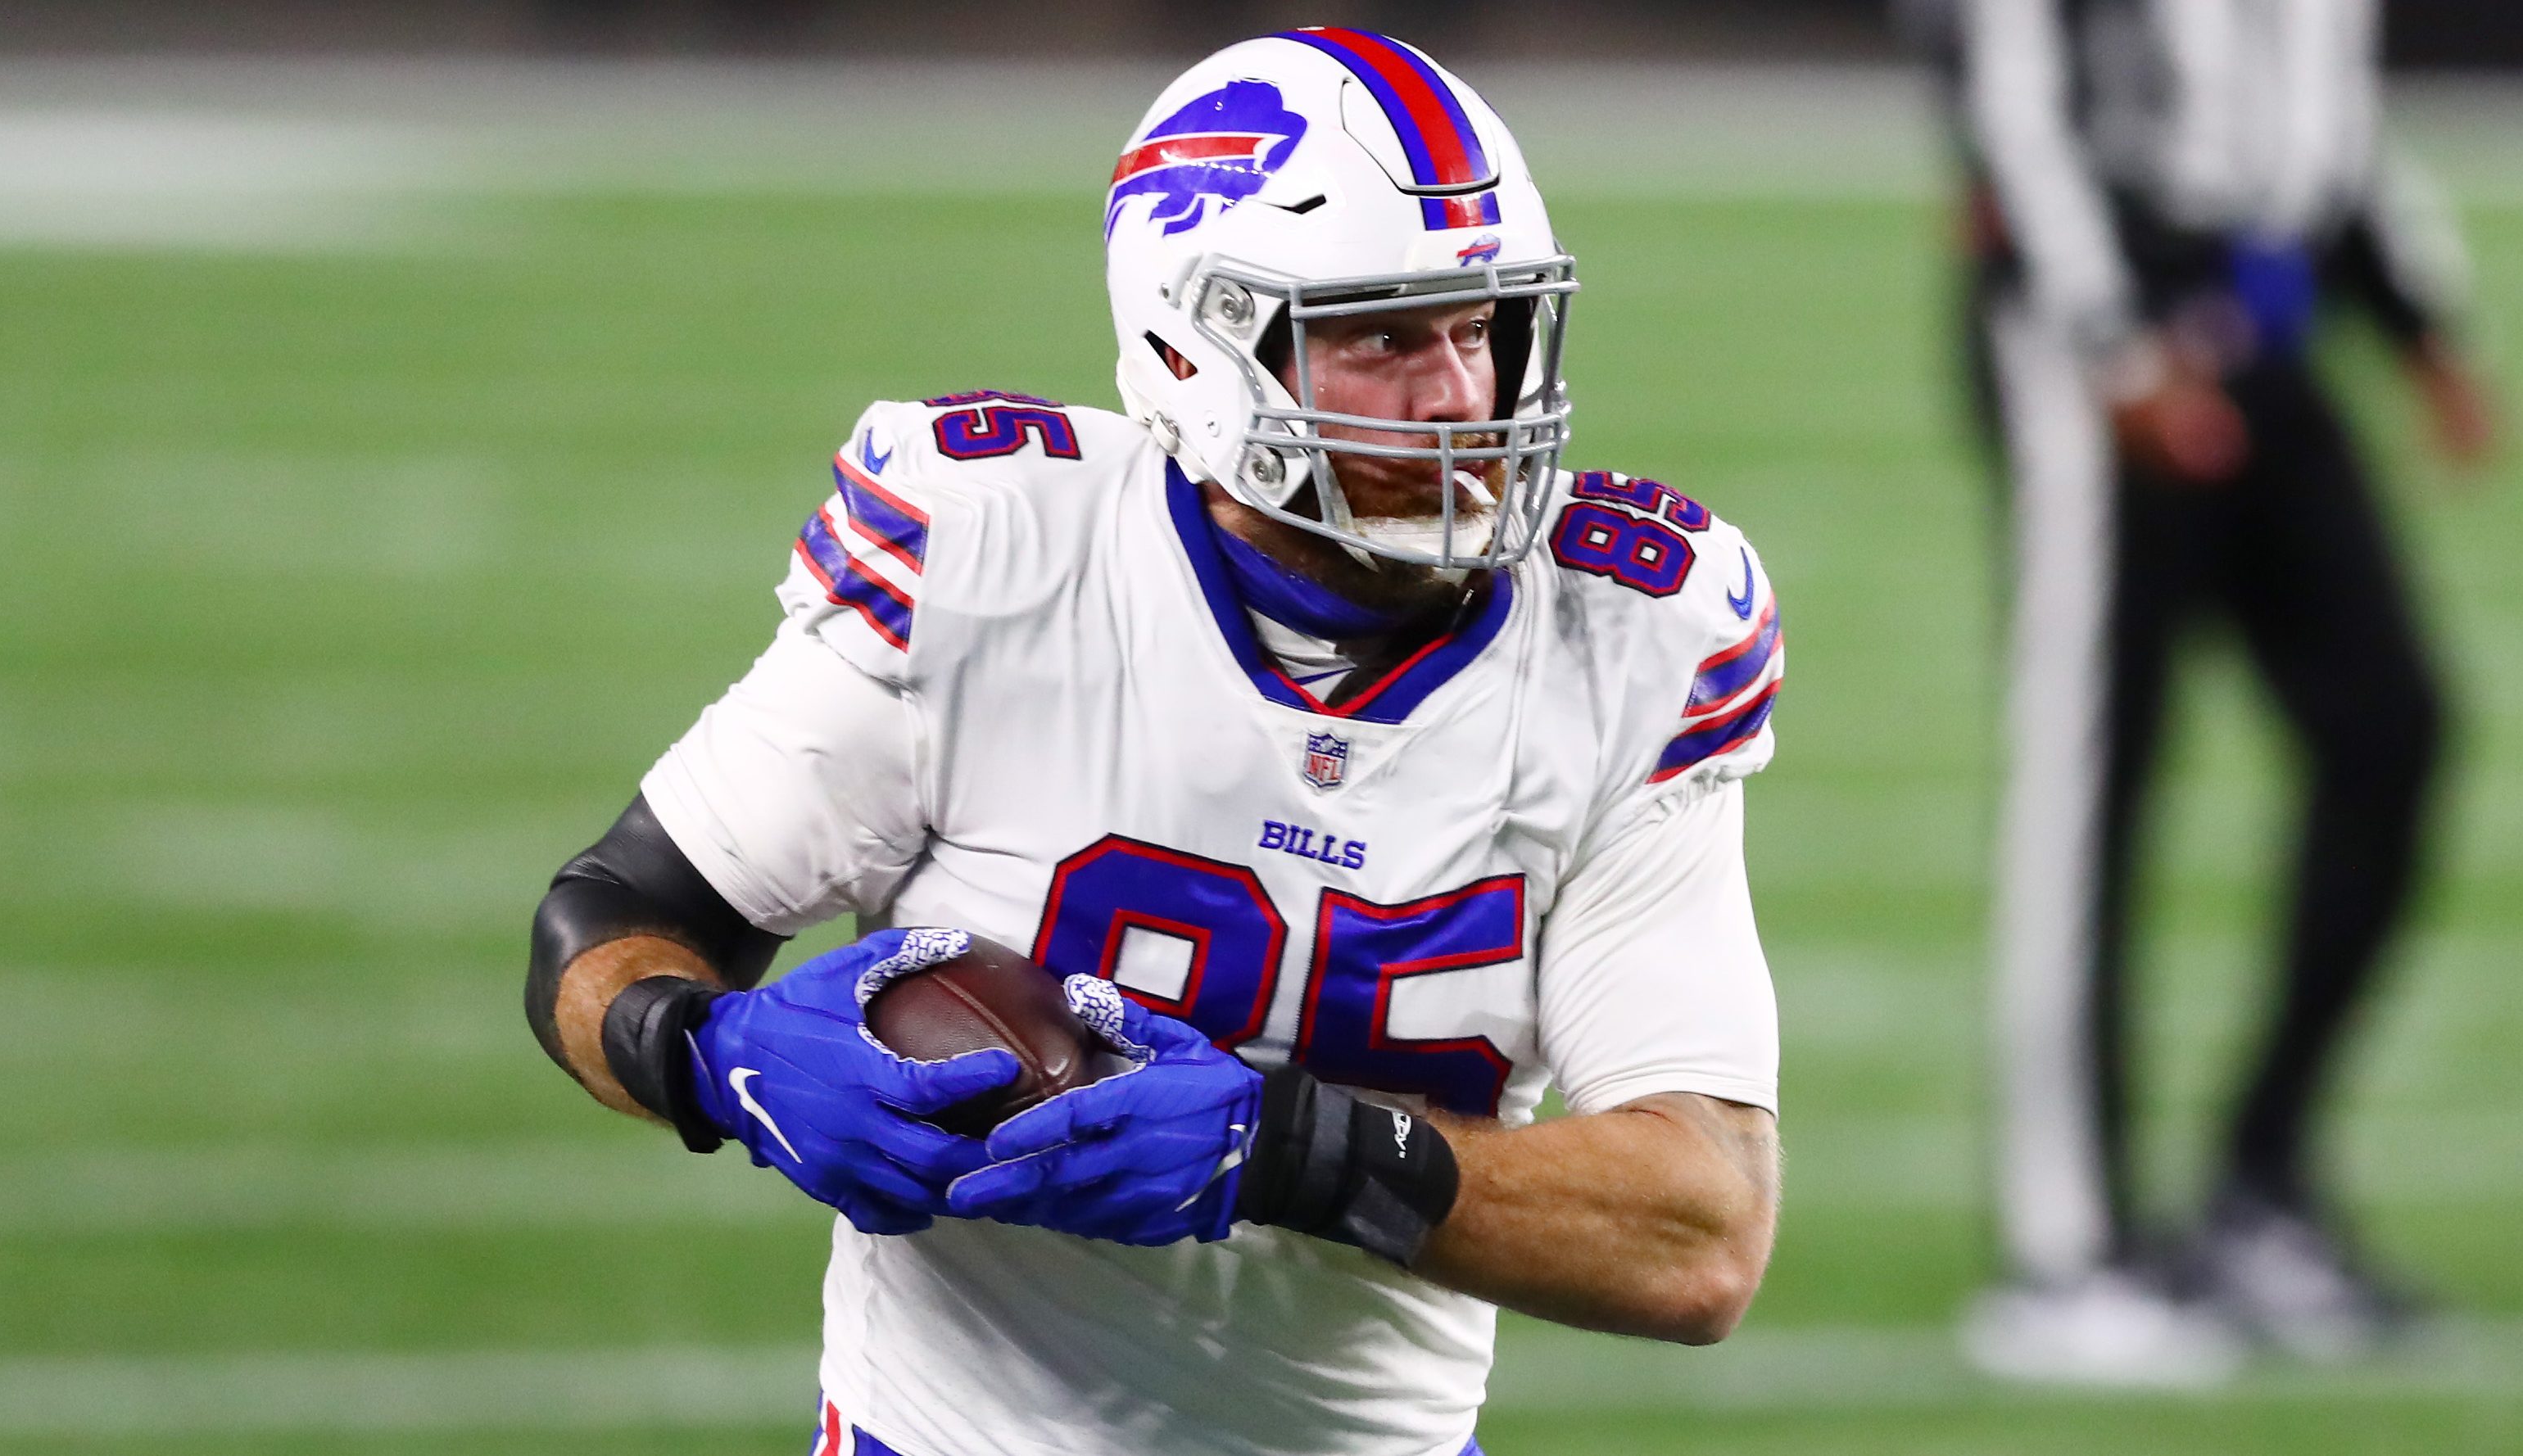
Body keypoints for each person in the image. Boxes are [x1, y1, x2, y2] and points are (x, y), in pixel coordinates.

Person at [525, 29, 1787, 1456]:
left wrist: (1296, 1150)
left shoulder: (1622, 636)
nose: (1460, 400)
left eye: (1479, 325)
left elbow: (1697, 1236)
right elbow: (613, 920)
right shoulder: (997, 552)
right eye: (1380, 335)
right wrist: (705, 1051)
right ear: (1197, 347)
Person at [1919, 0, 2498, 1380]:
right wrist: (2109, 335)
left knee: (2390, 728)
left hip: (2266, 311)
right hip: (2095, 338)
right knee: (2091, 783)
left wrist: (2415, 312)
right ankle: (2065, 1252)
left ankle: (2259, 1184)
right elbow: (2003, 81)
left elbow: (2319, 102)